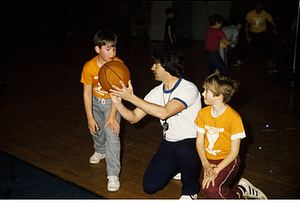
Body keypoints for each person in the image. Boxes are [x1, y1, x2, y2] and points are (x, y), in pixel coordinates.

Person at [109, 45, 201, 199]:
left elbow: (164, 112)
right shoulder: (156, 92)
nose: (152, 68)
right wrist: (118, 103)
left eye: (156, 64)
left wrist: (131, 97)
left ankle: (190, 191)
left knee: (184, 151)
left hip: (192, 141)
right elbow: (133, 118)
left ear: (167, 65)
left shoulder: (188, 88)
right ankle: (179, 166)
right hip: (169, 142)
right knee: (150, 186)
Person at [195, 73, 267, 199]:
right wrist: (205, 164)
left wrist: (216, 170)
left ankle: (239, 193)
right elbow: (199, 142)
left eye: (207, 91)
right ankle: (242, 188)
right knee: (209, 191)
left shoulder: (234, 118)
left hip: (227, 161)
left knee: (212, 191)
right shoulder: (202, 114)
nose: (202, 94)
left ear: (219, 96)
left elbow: (234, 152)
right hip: (208, 160)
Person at [80, 29, 122, 192]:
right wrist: (90, 117)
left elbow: (116, 95)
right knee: (95, 131)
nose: (112, 53)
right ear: (97, 49)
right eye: (108, 49)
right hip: (95, 103)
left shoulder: (118, 66)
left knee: (112, 137)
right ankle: (99, 150)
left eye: (114, 48)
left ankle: (113, 174)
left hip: (113, 103)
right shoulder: (89, 67)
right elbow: (86, 93)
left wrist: (112, 116)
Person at [234, 1, 278, 69]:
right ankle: (241, 60)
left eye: (262, 6)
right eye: (260, 5)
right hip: (252, 33)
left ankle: (271, 62)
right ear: (256, 6)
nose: (261, 7)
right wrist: (247, 36)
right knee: (246, 47)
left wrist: (275, 29)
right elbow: (246, 26)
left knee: (268, 47)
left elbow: (273, 24)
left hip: (262, 33)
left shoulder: (265, 14)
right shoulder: (250, 14)